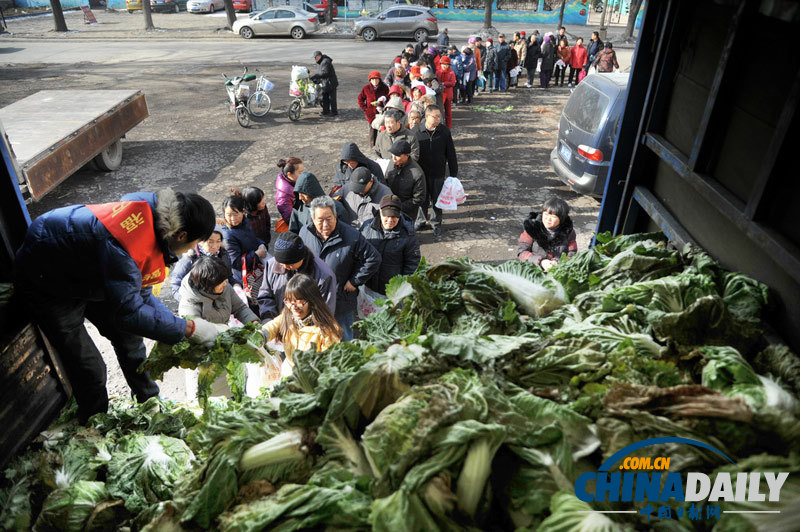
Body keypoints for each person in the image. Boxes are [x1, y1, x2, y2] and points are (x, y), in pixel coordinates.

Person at [14, 189, 219, 423]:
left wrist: (183, 326)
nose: (192, 250)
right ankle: (94, 423)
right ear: (181, 235)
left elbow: (141, 293)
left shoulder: (157, 225)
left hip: (93, 272)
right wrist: (187, 329)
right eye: (195, 243)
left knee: (130, 341)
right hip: (49, 280)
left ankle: (150, 405)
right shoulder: (127, 242)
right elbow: (129, 312)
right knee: (89, 367)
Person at [299, 196, 381, 340]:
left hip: (341, 300)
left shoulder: (351, 235)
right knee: (317, 339)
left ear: (335, 216)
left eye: (329, 218)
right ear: (313, 219)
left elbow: (373, 258)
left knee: (344, 339)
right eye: (320, 220)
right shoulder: (305, 233)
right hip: (313, 300)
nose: (325, 225)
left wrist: (355, 281)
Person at [261, 273, 342, 375]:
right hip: (288, 372)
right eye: (289, 301)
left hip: (310, 378)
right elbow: (272, 326)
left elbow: (329, 364)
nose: (294, 307)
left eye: (300, 302)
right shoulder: (287, 315)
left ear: (312, 301)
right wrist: (260, 336)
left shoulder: (327, 330)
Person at [257, 232, 336, 321]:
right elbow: (266, 295)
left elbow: (325, 312)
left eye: (290, 264)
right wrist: (268, 319)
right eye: (281, 263)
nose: (285, 267)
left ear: (302, 258)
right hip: (277, 323)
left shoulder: (324, 275)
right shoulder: (272, 264)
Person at [359, 194, 421, 295]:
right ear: (380, 211)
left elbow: (412, 263)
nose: (390, 221)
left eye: (394, 216)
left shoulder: (408, 234)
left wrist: (403, 287)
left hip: (392, 290)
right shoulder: (367, 228)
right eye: (387, 216)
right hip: (369, 286)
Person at [413, 105, 457, 238]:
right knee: (422, 199)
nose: (438, 119)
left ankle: (436, 223)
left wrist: (453, 173)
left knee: (437, 200)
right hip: (421, 174)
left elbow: (451, 153)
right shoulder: (416, 131)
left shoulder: (444, 131)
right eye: (435, 116)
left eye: (439, 116)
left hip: (438, 173)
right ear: (427, 116)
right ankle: (420, 221)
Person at [178, 255, 259, 325]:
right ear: (208, 285)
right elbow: (198, 333)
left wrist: (253, 322)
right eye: (221, 282)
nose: (225, 283)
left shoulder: (224, 285)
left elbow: (240, 308)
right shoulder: (189, 308)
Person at [220, 193, 268, 299]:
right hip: (243, 276)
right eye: (229, 215)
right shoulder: (228, 235)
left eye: (236, 214)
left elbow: (252, 238)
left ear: (243, 211)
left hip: (255, 267)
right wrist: (256, 254)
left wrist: (261, 244)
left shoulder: (245, 222)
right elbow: (236, 262)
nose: (233, 218)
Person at [169, 228, 235, 301]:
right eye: (210, 242)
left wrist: (236, 286)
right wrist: (186, 301)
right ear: (201, 241)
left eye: (218, 241)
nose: (214, 246)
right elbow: (176, 285)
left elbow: (229, 277)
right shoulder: (189, 258)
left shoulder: (224, 254)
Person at [517, 197, 577, 271]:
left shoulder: (568, 232)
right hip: (533, 271)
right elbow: (522, 253)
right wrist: (541, 262)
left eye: (553, 216)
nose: (548, 219)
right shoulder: (532, 228)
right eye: (546, 214)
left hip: (557, 271)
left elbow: (572, 253)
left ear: (561, 219)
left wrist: (558, 263)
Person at [385, 139, 426, 222]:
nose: (394, 158)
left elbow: (419, 198)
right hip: (390, 208)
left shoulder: (417, 173)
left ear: (407, 155)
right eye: (393, 154)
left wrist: (398, 206)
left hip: (406, 214)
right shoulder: (392, 162)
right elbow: (386, 180)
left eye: (397, 155)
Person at [358, 70, 390, 147]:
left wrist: (382, 101)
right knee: (372, 131)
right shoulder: (366, 88)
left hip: (382, 112)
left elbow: (388, 97)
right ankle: (373, 147)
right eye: (372, 79)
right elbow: (360, 99)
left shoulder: (384, 88)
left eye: (376, 79)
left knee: (383, 129)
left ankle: (383, 145)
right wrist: (365, 108)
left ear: (379, 79)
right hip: (371, 113)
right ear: (370, 80)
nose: (374, 81)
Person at [275, 157, 303, 225]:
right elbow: (290, 219)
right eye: (300, 172)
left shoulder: (295, 181)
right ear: (289, 175)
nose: (303, 175)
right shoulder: (283, 197)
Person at [311, 50, 338, 117]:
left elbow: (325, 73)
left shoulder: (326, 61)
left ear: (319, 56)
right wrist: (317, 79)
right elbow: (319, 72)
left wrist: (316, 76)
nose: (315, 59)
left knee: (332, 98)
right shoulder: (319, 62)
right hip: (325, 82)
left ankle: (334, 112)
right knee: (325, 97)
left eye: (315, 57)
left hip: (331, 82)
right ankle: (326, 111)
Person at [436, 55, 456, 128]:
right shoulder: (438, 72)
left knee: (448, 112)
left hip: (448, 95)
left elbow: (453, 83)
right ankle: (439, 125)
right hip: (439, 94)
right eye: (443, 64)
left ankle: (448, 127)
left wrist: (443, 84)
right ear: (441, 64)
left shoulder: (451, 73)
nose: (445, 66)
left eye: (446, 64)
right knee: (439, 111)